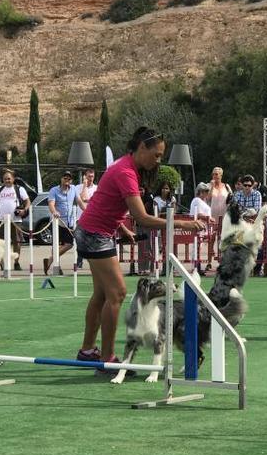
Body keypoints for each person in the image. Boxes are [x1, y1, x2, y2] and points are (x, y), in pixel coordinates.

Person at [74, 126, 205, 368]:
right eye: (156, 155)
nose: (159, 160)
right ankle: (107, 358)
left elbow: (106, 203)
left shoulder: (126, 167)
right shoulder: (126, 171)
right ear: (142, 147)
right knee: (118, 293)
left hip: (92, 230)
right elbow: (142, 217)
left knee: (102, 294)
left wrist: (121, 229)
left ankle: (87, 350)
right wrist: (180, 223)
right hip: (94, 234)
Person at [44, 171, 86, 275]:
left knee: (69, 244)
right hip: (57, 222)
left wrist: (87, 212)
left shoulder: (73, 189)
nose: (67, 180)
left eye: (69, 179)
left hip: (69, 223)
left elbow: (79, 201)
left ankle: (50, 260)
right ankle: (56, 266)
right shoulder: (54, 190)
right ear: (61, 179)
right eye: (65, 178)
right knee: (56, 245)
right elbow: (51, 203)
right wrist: (54, 212)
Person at [0, 170, 29, 271]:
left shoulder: (19, 189)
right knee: (0, 243)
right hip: (2, 221)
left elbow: (27, 201)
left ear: (13, 179)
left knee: (17, 242)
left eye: (9, 178)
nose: (7, 180)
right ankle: (2, 264)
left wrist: (24, 210)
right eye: (5, 179)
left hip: (16, 220)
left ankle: (16, 262)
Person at [74, 168, 97, 269]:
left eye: (92, 176)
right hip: (81, 218)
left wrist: (88, 200)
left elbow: (93, 201)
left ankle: (94, 261)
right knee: (80, 240)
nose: (91, 178)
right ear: (85, 176)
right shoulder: (78, 187)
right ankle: (79, 260)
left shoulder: (97, 188)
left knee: (92, 240)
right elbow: (83, 198)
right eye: (89, 176)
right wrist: (84, 185)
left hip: (93, 218)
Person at [190, 182, 213, 274]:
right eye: (205, 191)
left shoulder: (203, 201)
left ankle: (198, 266)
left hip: (203, 227)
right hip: (198, 226)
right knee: (197, 247)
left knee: (199, 247)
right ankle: (196, 267)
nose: (207, 193)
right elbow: (197, 213)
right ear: (200, 192)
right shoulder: (197, 200)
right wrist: (208, 218)